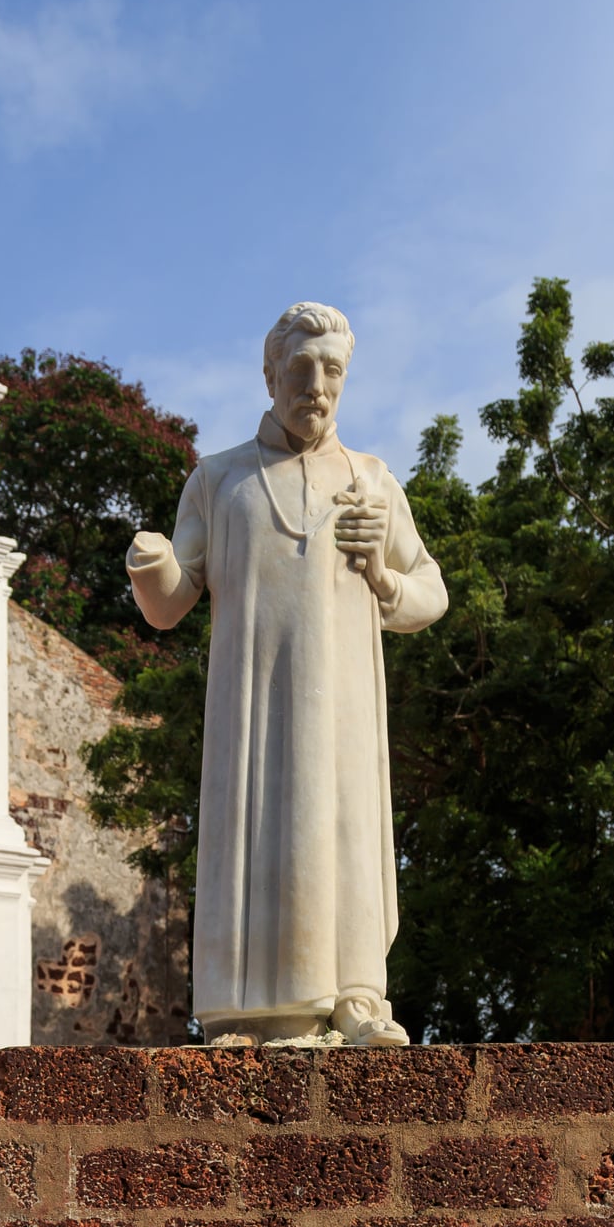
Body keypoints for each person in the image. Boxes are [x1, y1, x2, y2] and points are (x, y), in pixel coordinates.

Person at [126, 301, 447, 1046]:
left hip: (341, 706)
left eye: (332, 370)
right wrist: (154, 566)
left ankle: (354, 998)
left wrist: (383, 577)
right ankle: (243, 1009)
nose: (317, 385)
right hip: (252, 706)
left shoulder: (372, 481)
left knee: (342, 826)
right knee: (254, 829)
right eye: (301, 368)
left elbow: (430, 590)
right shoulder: (219, 479)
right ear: (270, 375)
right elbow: (171, 604)